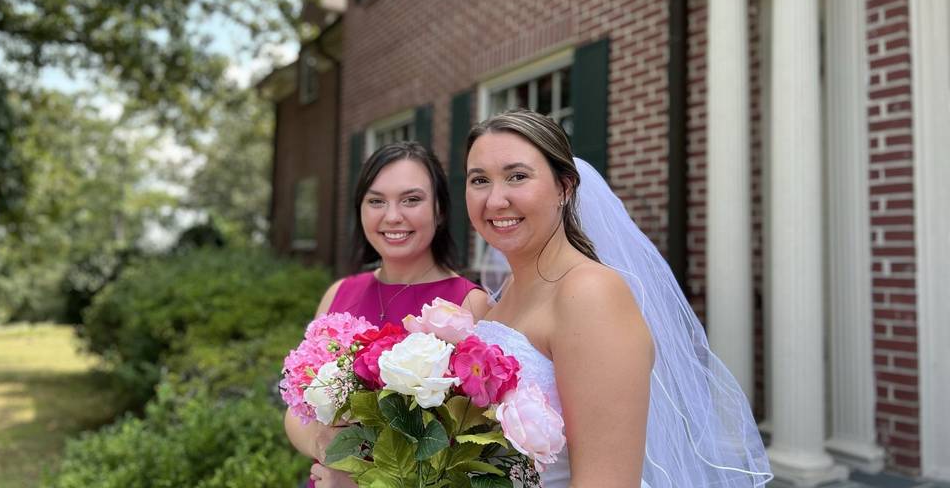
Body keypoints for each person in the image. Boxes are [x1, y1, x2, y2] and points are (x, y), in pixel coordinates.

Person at [465, 109, 772, 488]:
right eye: (479, 180)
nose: (495, 200)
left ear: (565, 188)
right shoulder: (508, 290)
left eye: (517, 176)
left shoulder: (589, 295)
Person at [284, 141, 489, 488]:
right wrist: (325, 447)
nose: (393, 216)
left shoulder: (470, 305)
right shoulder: (339, 293)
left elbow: (473, 440)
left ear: (439, 211)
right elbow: (295, 407)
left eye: (411, 200)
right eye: (376, 201)